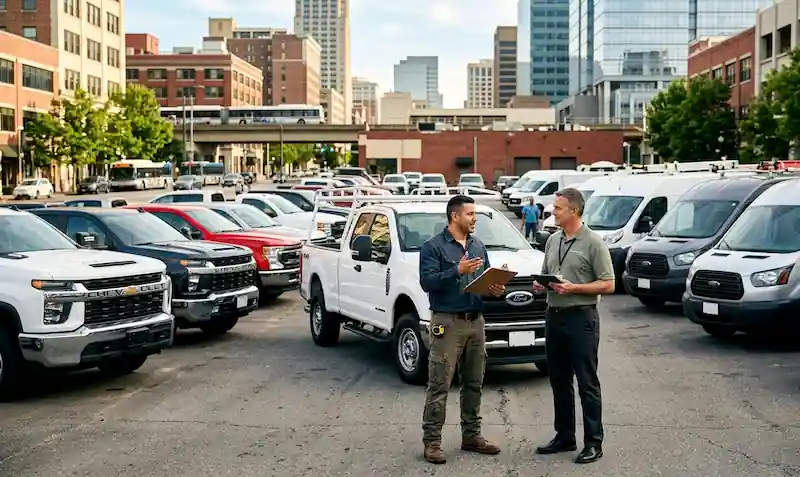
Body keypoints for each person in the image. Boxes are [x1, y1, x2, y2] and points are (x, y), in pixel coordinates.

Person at [418, 195, 506, 465]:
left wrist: (495, 289)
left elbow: (483, 278)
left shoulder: (478, 245)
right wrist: (456, 270)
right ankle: (432, 442)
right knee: (440, 383)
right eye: (470, 214)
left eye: (474, 214)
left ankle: (472, 436)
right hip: (447, 321)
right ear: (454, 216)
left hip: (475, 321)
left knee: (474, 382)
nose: (474, 218)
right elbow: (427, 282)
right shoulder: (433, 247)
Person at [533, 187, 615, 465]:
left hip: (582, 318)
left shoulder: (593, 242)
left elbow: (609, 283)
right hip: (553, 315)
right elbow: (548, 273)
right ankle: (564, 436)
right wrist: (540, 283)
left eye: (557, 208)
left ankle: (594, 442)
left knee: (587, 382)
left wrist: (575, 288)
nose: (552, 212)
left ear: (574, 211)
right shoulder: (553, 240)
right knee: (559, 380)